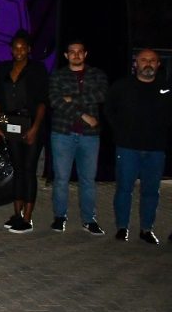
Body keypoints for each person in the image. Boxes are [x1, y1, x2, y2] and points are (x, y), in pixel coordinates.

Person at [106, 49, 171, 244]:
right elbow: (109, 109)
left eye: (152, 60)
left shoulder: (166, 88)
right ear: (136, 63)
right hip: (128, 148)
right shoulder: (122, 86)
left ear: (158, 64)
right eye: (144, 60)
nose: (148, 63)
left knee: (151, 191)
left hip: (156, 149)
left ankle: (146, 229)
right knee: (124, 189)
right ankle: (122, 228)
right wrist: (120, 132)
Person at [48, 40, 108, 235]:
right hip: (62, 133)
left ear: (85, 54)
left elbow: (101, 95)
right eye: (72, 52)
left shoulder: (97, 74)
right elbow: (55, 101)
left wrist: (71, 99)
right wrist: (83, 115)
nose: (76, 54)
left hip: (89, 136)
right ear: (66, 55)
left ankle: (89, 220)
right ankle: (60, 217)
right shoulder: (58, 75)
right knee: (61, 179)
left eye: (79, 51)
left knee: (88, 180)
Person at [0, 32, 48, 234]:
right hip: (10, 123)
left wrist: (35, 128)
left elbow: (42, 102)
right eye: (16, 47)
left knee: (29, 170)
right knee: (17, 169)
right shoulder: (4, 68)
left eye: (23, 47)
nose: (19, 51)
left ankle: (27, 218)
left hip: (31, 123)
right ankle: (17, 214)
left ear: (29, 49)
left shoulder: (37, 69)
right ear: (11, 49)